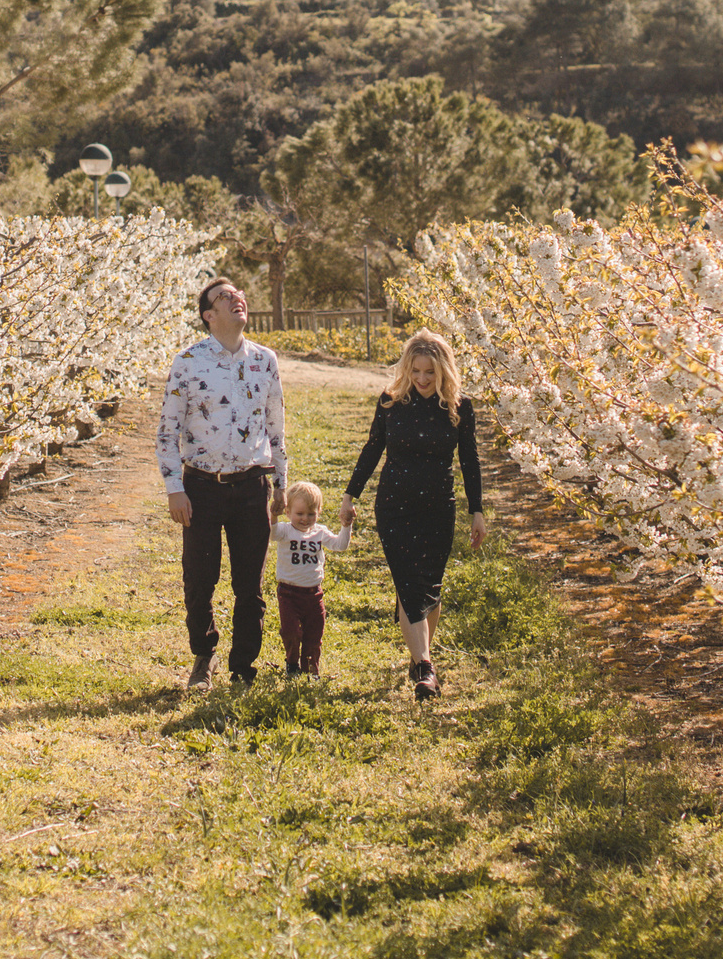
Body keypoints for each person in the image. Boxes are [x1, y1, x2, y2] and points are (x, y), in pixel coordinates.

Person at [157, 276, 287, 689]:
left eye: (240, 294)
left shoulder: (265, 361)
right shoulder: (188, 362)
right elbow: (167, 430)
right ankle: (204, 655)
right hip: (202, 488)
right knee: (199, 578)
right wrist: (174, 487)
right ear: (208, 315)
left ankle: (243, 667)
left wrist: (281, 482)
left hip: (252, 487)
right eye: (225, 296)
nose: (238, 299)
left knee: (250, 583)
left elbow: (276, 426)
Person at [342, 330, 483, 700]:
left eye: (430, 373)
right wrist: (349, 494)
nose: (422, 379)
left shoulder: (458, 407)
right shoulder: (391, 402)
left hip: (439, 507)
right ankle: (425, 667)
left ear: (443, 373)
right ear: (407, 368)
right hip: (395, 506)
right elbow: (373, 448)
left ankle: (421, 657)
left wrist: (477, 511)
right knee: (409, 587)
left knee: (429, 591)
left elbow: (469, 461)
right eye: (416, 371)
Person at [273, 481, 348, 677]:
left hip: (314, 594)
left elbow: (340, 545)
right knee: (291, 632)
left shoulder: (320, 532)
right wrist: (273, 514)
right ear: (288, 512)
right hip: (288, 593)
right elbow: (271, 532)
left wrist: (346, 526)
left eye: (311, 514)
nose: (305, 519)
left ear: (319, 512)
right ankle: (291, 662)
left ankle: (310, 670)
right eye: (299, 514)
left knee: (314, 634)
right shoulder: (285, 530)